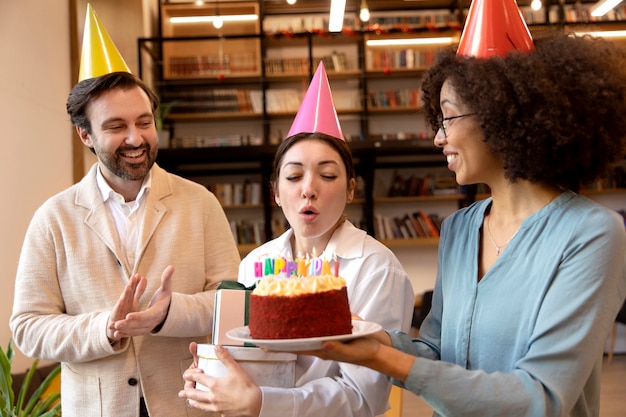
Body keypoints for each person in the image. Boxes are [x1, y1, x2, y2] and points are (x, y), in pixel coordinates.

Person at [290, 1, 626, 417]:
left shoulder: (592, 233)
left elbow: (541, 397)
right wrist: (368, 334)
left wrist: (380, 359)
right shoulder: (459, 229)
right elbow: (437, 349)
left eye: (446, 119)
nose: (437, 139)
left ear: (500, 116)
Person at [9, 6, 240, 417]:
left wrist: (170, 313)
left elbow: (234, 304)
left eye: (144, 122)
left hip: (189, 404)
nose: (136, 138)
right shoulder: (53, 219)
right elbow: (28, 328)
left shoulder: (200, 203)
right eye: (116, 126)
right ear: (86, 134)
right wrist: (104, 328)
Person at [178, 63, 415, 417]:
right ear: (275, 192)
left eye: (328, 174)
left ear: (350, 188)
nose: (308, 190)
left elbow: (366, 398)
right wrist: (213, 373)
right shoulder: (256, 263)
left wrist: (264, 403)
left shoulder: (377, 268)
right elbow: (246, 359)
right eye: (293, 176)